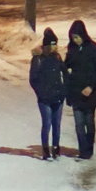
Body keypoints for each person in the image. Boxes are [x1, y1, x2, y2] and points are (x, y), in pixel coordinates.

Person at [64, 19, 96, 160]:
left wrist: (91, 86)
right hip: (76, 92)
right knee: (78, 123)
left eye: (77, 37)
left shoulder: (94, 49)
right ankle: (83, 150)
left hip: (90, 93)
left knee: (89, 122)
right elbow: (67, 65)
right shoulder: (71, 49)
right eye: (73, 38)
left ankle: (89, 149)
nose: (75, 40)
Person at [29, 27, 66, 160]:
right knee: (47, 123)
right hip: (45, 99)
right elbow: (33, 79)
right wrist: (41, 93)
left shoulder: (57, 57)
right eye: (53, 44)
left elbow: (65, 73)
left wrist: (64, 90)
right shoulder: (38, 59)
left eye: (56, 44)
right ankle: (46, 149)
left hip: (58, 96)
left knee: (57, 124)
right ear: (46, 46)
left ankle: (56, 148)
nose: (55, 47)